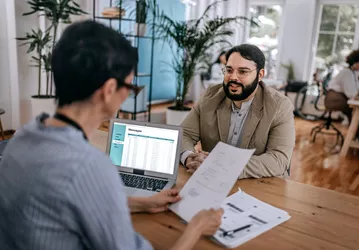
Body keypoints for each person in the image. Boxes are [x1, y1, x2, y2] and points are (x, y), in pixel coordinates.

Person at [0, 20, 223, 250]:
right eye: (130, 87)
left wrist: (138, 203)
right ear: (108, 91)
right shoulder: (89, 167)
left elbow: (60, 203)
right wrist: (196, 227)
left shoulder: (21, 138)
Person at [180, 44, 295, 178]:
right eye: (229, 70)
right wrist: (189, 157)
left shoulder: (279, 106)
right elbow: (184, 134)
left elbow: (278, 159)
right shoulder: (210, 96)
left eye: (243, 71)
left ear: (260, 75)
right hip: (210, 181)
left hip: (259, 184)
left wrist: (222, 166)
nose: (233, 77)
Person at [325, 49, 359, 141]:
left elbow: (358, 89)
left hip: (341, 98)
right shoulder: (346, 73)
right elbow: (352, 94)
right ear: (355, 61)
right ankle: (358, 136)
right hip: (334, 100)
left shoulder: (353, 73)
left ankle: (358, 135)